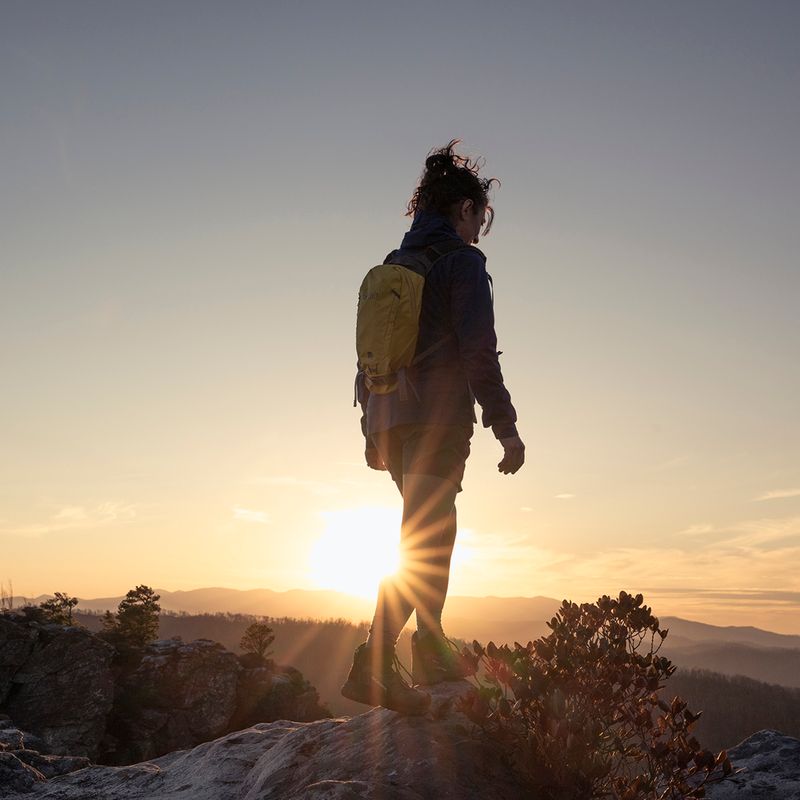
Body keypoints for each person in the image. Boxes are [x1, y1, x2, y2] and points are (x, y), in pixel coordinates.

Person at [341, 140, 525, 714]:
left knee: (430, 532)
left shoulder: (397, 265)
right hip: (439, 420)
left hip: (391, 421)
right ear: (465, 209)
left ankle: (431, 644)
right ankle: (375, 663)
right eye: (479, 220)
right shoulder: (461, 264)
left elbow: (370, 357)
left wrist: (375, 433)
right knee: (424, 538)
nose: (478, 233)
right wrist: (506, 426)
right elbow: (479, 352)